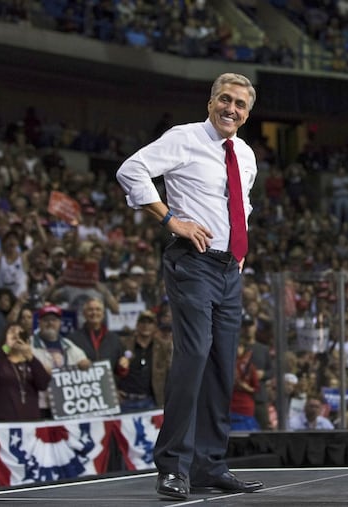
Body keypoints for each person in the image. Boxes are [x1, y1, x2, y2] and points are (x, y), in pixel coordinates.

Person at [116, 72, 263, 499]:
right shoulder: (184, 138)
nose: (230, 109)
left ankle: (209, 465)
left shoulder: (246, 154)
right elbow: (132, 171)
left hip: (228, 269)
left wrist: (241, 246)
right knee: (194, 354)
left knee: (221, 365)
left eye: (239, 104)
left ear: (247, 114)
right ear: (210, 102)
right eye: (224, 99)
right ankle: (173, 465)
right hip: (192, 263)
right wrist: (169, 219)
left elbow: (242, 204)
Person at [0, 323, 52, 421]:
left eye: (20, 333)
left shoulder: (31, 362)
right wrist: (6, 348)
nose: (16, 335)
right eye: (12, 332)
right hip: (1, 424)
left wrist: (30, 357)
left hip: (30, 424)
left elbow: (43, 384)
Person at [117, 310, 172, 412]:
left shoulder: (164, 347)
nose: (145, 325)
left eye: (149, 322)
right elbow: (113, 367)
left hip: (151, 401)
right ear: (137, 325)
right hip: (125, 401)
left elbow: (169, 373)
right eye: (143, 322)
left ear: (155, 327)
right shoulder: (123, 344)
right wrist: (114, 391)